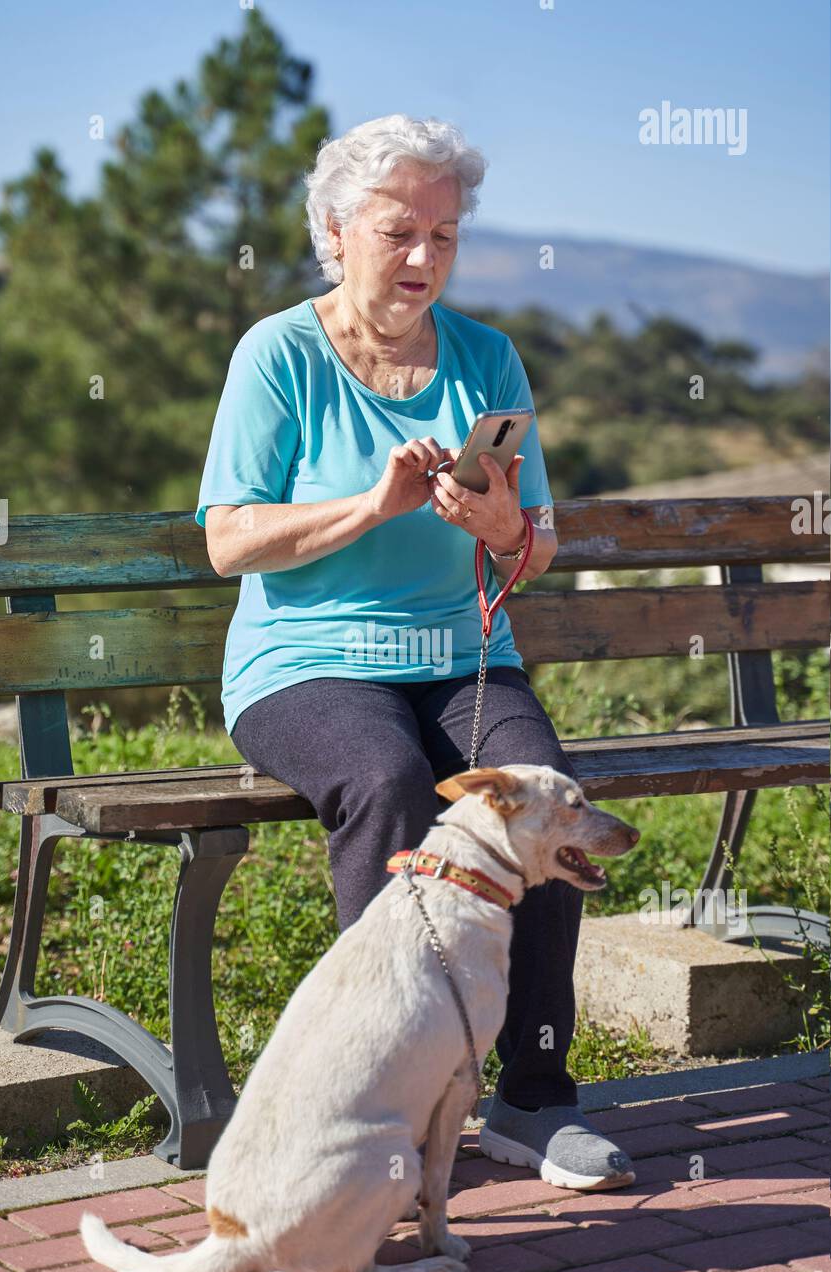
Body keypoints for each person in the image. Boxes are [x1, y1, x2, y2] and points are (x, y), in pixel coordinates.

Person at [195, 113, 634, 1191]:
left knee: (545, 801)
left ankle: (530, 1097)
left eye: (443, 236)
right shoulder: (280, 354)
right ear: (335, 231)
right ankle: (381, 1098)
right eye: (398, 232)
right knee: (390, 780)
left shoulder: (487, 358)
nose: (422, 259)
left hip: (458, 653)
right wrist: (371, 505)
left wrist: (499, 533)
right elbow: (227, 539)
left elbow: (532, 543)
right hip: (304, 663)